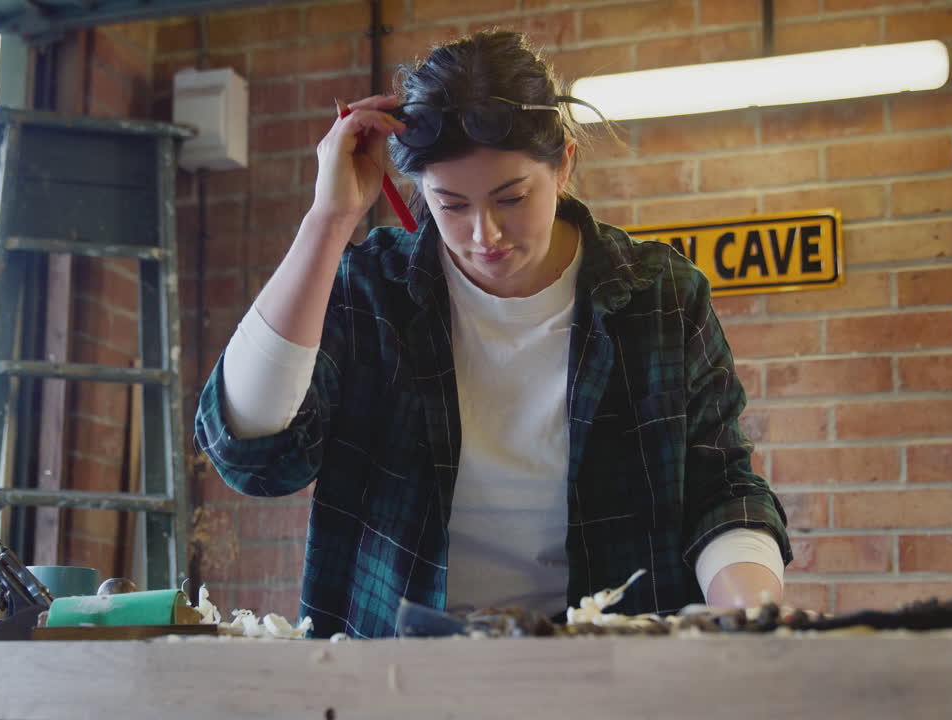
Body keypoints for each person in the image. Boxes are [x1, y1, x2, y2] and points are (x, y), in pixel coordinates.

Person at [194, 31, 792, 639]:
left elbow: (721, 487)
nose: (486, 235)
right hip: (396, 664)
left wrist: (748, 611)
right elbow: (253, 454)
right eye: (451, 205)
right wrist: (328, 221)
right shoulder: (372, 288)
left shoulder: (662, 293)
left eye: (512, 198)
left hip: (615, 664)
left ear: (564, 164)